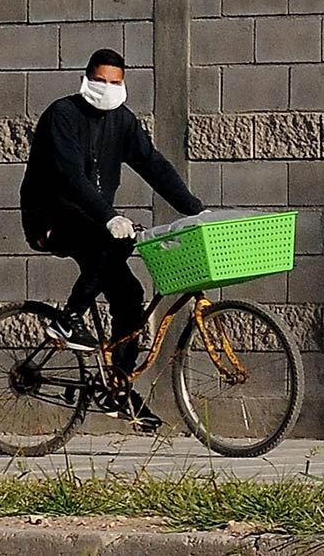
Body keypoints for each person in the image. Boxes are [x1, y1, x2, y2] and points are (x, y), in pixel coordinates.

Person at [19, 48, 203, 432]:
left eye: (115, 82)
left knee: (129, 294)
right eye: (100, 80)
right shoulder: (62, 116)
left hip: (94, 221)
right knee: (114, 243)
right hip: (52, 217)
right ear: (86, 78)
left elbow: (151, 163)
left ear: (123, 84)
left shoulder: (122, 121)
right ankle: (67, 321)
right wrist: (109, 217)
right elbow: (70, 177)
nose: (107, 88)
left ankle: (118, 389)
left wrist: (193, 208)